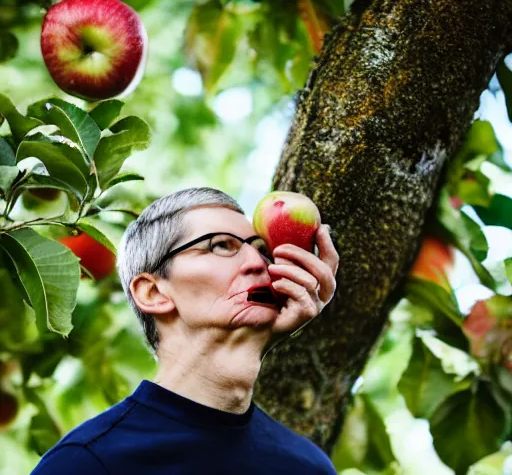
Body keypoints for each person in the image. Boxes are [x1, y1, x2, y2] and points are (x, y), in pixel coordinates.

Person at [32, 187, 339, 474]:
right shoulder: (85, 462)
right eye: (221, 245)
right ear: (153, 293)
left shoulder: (308, 466)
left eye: (263, 250)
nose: (258, 264)